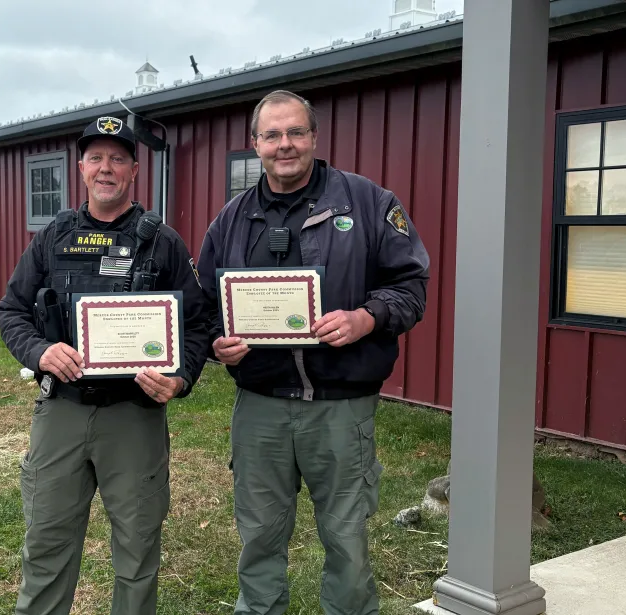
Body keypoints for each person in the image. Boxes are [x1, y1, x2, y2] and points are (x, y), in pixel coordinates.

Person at [196, 90, 430, 615]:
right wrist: (218, 343)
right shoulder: (231, 220)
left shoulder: (368, 203)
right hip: (261, 405)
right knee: (258, 537)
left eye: (296, 132)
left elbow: (411, 286)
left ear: (315, 137)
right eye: (272, 134)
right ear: (255, 143)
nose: (285, 145)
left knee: (347, 540)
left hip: (341, 406)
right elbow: (204, 305)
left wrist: (364, 317)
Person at [0, 115, 208, 615]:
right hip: (63, 411)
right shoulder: (54, 236)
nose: (105, 168)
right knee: (47, 540)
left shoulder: (163, 242)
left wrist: (179, 379)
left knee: (137, 548)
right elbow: (12, 310)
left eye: (117, 158)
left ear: (135, 169)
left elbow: (198, 324)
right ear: (82, 167)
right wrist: (38, 352)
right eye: (96, 158)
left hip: (133, 415)